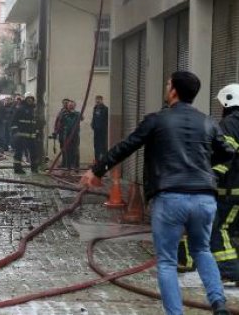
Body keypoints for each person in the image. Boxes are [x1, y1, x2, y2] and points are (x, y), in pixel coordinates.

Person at [80, 71, 235, 315]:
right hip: (205, 198)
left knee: (167, 261)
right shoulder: (208, 122)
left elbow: (126, 146)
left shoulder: (156, 120)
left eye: (167, 84)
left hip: (170, 197)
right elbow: (227, 152)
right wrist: (201, 163)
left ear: (173, 90)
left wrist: (97, 170)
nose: (166, 87)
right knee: (203, 250)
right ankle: (219, 304)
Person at [210, 84, 239, 285]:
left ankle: (231, 270)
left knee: (220, 229)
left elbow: (224, 156)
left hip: (231, 191)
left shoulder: (230, 124)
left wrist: (211, 179)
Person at [11, 92, 39, 174]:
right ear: (26, 99)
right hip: (21, 135)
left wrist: (37, 132)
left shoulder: (34, 110)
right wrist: (16, 132)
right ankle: (17, 168)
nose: (30, 100)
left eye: (31, 99)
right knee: (19, 152)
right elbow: (13, 121)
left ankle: (34, 168)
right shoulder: (20, 109)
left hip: (31, 135)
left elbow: (35, 123)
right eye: (28, 99)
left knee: (34, 153)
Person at [60, 100, 81, 172]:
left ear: (74, 106)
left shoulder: (77, 114)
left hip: (75, 135)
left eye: (72, 105)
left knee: (75, 151)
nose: (71, 106)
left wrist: (75, 114)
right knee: (67, 151)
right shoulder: (64, 114)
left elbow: (82, 118)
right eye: (69, 105)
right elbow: (61, 122)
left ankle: (76, 167)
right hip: (67, 135)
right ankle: (68, 167)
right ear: (67, 106)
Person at [91, 95, 109, 163]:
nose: (97, 101)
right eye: (96, 99)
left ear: (102, 100)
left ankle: (104, 160)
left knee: (103, 146)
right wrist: (92, 124)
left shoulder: (105, 109)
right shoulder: (95, 108)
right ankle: (97, 160)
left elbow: (107, 120)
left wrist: (104, 127)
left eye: (99, 99)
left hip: (103, 131)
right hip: (96, 130)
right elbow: (94, 118)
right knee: (96, 145)